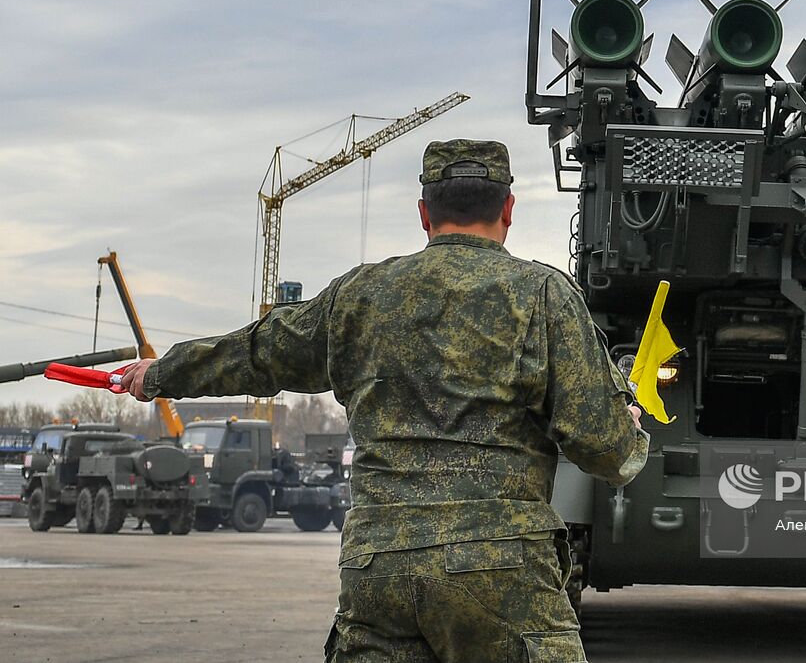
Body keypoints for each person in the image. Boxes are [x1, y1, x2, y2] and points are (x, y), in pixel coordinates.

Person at [121, 139, 649, 663]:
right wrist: (626, 426)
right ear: (508, 209)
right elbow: (605, 450)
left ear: (424, 214)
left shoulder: (360, 293)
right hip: (500, 568)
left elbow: (258, 352)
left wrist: (160, 374)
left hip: (379, 567)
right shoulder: (543, 295)